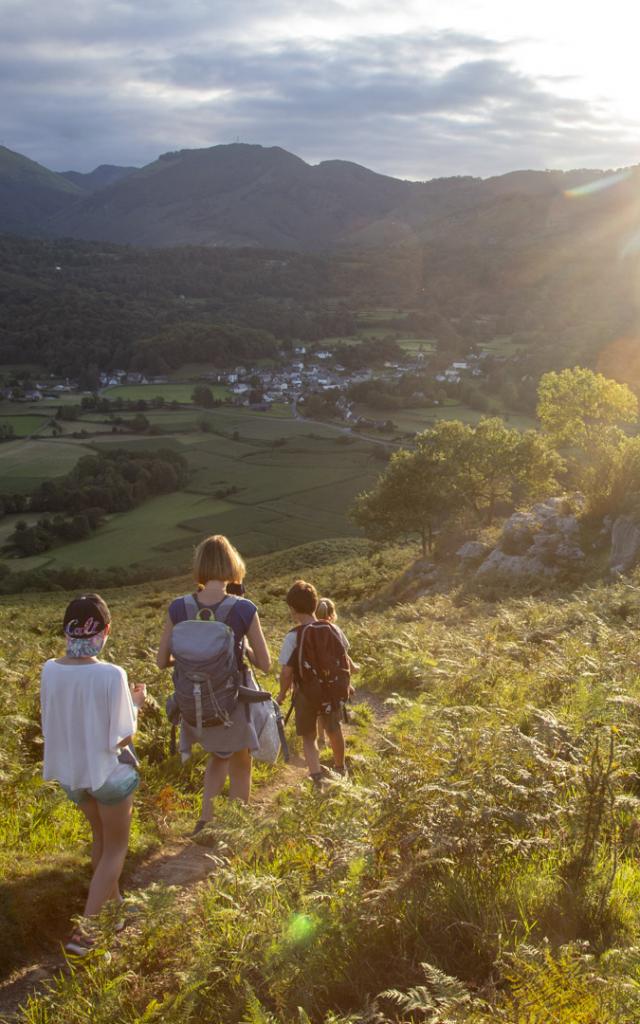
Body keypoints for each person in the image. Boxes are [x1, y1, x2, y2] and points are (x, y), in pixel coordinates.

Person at [40, 594, 146, 956]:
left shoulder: (49, 669)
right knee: (116, 848)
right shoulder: (111, 674)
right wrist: (137, 704)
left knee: (100, 840)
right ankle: (86, 932)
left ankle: (112, 914)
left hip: (74, 775)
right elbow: (125, 735)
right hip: (109, 774)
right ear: (107, 630)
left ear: (66, 630)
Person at [156, 535, 270, 829]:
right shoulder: (244, 609)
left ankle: (205, 820)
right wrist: (240, 650)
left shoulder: (178, 608)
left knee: (218, 757)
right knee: (241, 762)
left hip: (195, 701)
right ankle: (235, 825)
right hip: (232, 701)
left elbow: (161, 662)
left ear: (200, 566)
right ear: (232, 564)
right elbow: (266, 664)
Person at [276, 580, 351, 786]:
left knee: (308, 736)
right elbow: (344, 656)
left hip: (306, 693)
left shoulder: (293, 636)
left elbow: (286, 672)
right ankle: (340, 768)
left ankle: (316, 777)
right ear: (315, 603)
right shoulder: (333, 629)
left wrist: (282, 694)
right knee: (333, 729)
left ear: (292, 609)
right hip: (332, 689)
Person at [315, 596, 359, 749]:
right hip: (335, 678)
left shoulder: (311, 629)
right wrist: (353, 670)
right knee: (334, 709)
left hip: (317, 678)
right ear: (332, 614)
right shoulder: (336, 630)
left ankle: (320, 738)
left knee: (319, 710)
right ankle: (335, 740)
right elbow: (344, 655)